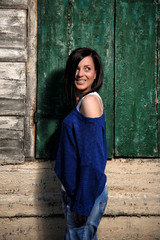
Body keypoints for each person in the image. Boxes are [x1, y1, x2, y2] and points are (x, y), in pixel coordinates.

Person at [54, 47, 108, 240]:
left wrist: (82, 203)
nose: (80, 74)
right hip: (77, 194)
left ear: (95, 74)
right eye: (76, 68)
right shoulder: (83, 102)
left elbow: (93, 159)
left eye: (87, 68)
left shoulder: (89, 103)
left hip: (84, 196)